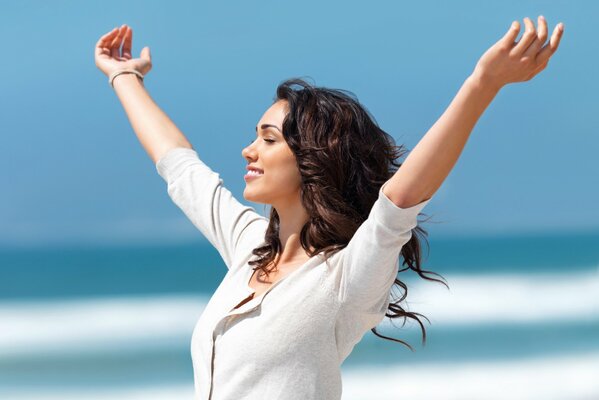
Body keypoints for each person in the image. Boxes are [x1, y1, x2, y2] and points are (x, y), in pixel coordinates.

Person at [94, 16, 563, 400]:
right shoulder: (250, 247)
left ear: (313, 160)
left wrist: (483, 84)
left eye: (268, 139)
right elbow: (180, 167)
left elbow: (399, 199)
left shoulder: (346, 277)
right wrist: (124, 76)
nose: (247, 151)